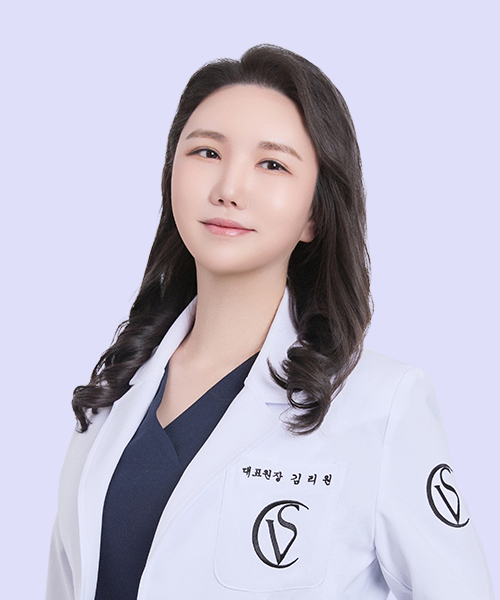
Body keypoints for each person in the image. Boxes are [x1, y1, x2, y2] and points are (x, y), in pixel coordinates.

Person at [46, 45, 494, 600]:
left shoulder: (382, 404)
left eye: (272, 164)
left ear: (314, 214)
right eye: (206, 152)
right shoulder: (113, 390)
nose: (228, 189)